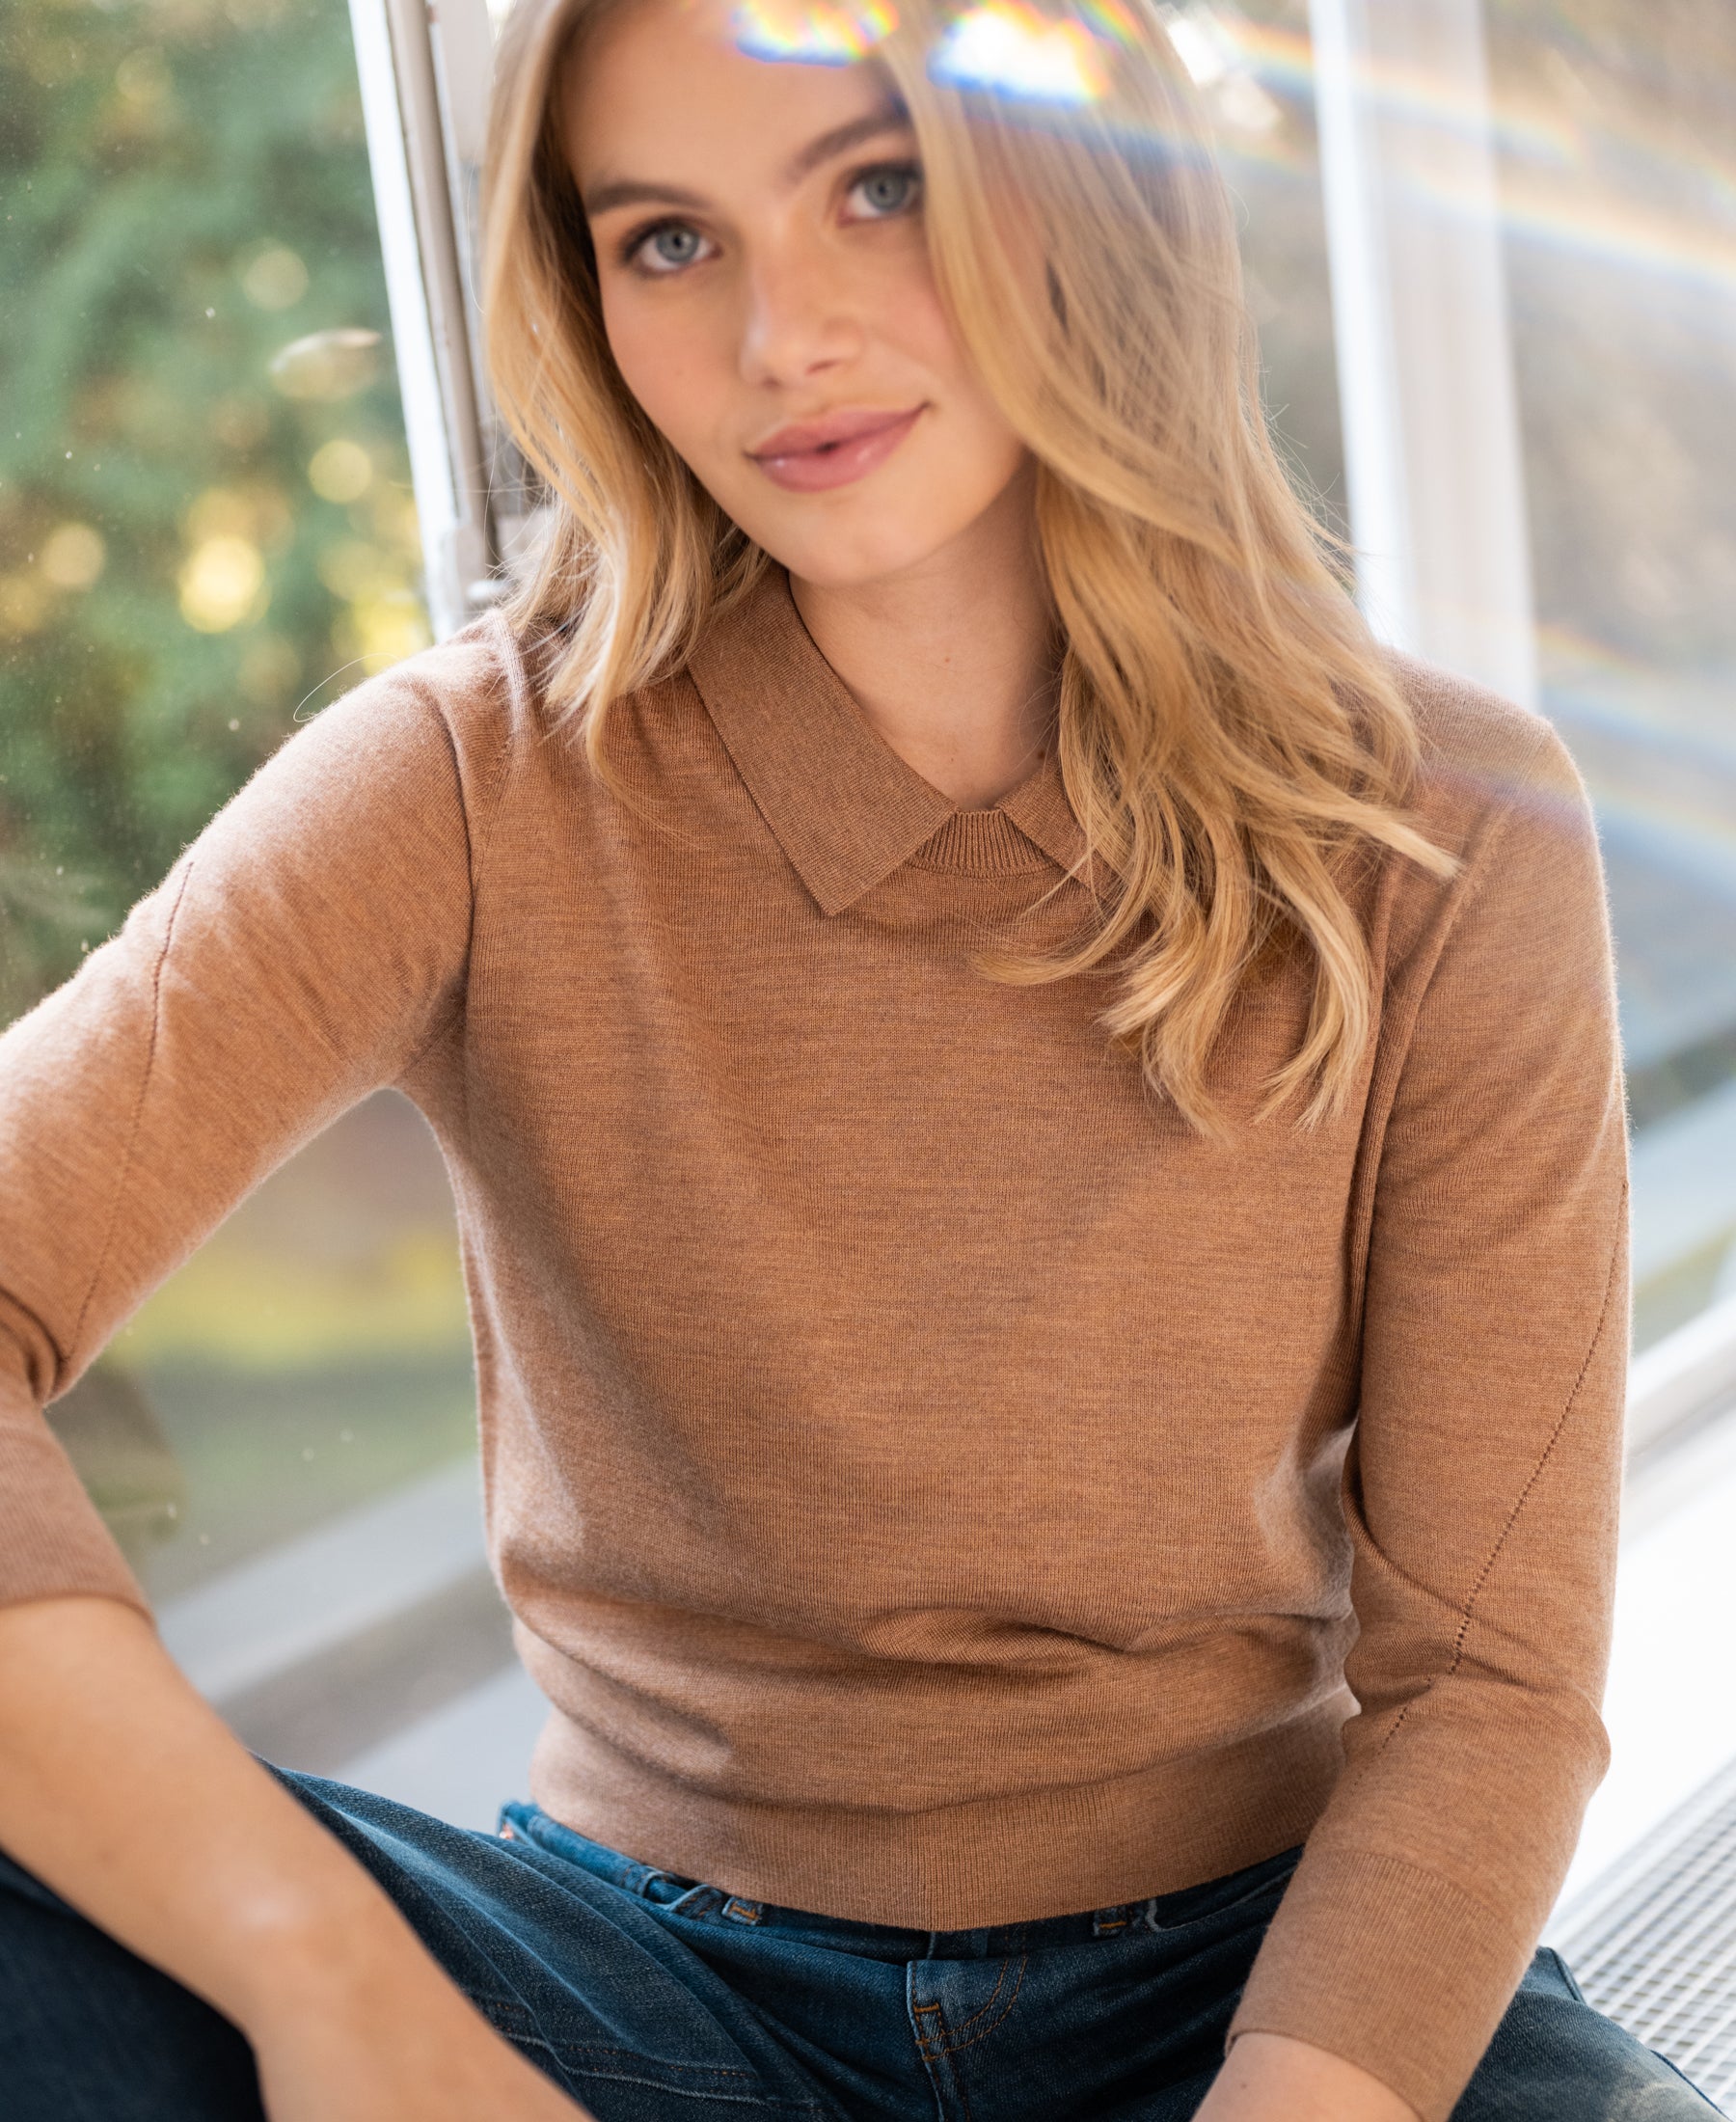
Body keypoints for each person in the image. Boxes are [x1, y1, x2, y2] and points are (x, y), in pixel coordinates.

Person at [0, 0, 1714, 2117]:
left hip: (1259, 1981)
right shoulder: (466, 781)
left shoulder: (1453, 828)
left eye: (877, 190)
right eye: (669, 240)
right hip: (642, 1985)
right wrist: (323, 1980)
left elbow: (1491, 1684)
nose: (779, 337)